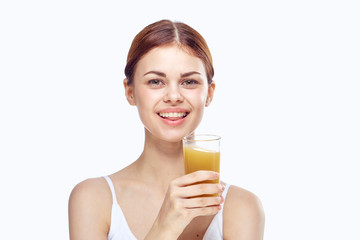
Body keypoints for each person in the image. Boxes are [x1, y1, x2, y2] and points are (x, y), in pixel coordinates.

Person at [68, 19, 265, 240]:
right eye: (155, 82)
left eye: (189, 82)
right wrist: (165, 228)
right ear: (130, 92)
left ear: (209, 94)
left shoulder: (242, 207)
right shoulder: (93, 199)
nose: (173, 96)